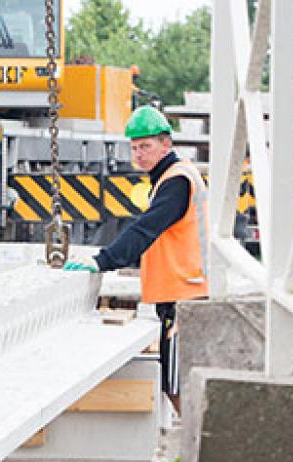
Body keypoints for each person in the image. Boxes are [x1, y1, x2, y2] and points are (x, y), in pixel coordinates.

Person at [64, 106, 208, 412]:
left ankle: (201, 453)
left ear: (166, 144)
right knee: (177, 385)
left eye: (146, 146)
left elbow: (146, 229)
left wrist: (103, 260)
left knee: (181, 386)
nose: (139, 154)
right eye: (134, 147)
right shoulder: (170, 177)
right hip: (183, 291)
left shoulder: (177, 181)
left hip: (187, 296)